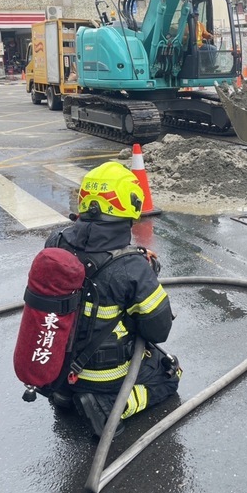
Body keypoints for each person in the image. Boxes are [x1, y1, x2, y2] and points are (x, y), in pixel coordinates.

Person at [44, 161, 181, 437]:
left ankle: (64, 394)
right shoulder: (132, 268)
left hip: (60, 365)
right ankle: (108, 407)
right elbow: (159, 330)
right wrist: (145, 278)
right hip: (105, 377)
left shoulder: (56, 242)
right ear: (129, 205)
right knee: (169, 377)